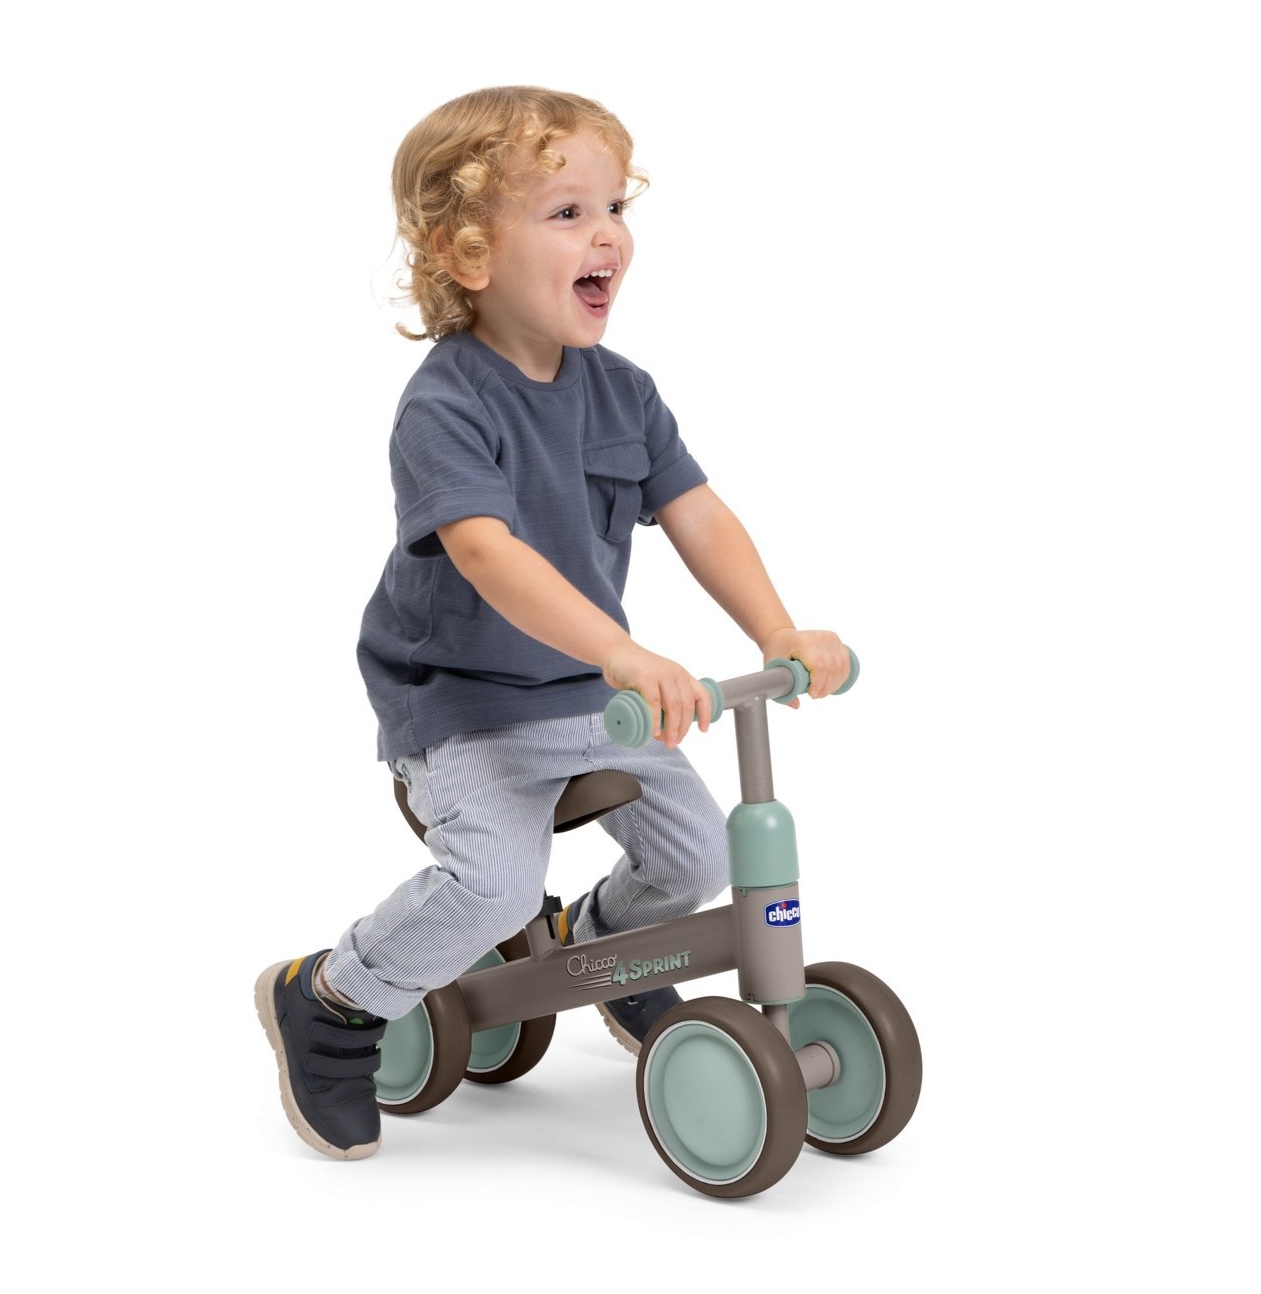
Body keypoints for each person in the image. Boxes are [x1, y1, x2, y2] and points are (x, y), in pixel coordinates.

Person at [256, 86, 851, 1160]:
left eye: (615, 207)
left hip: (583, 692)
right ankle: (336, 996)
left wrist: (779, 630)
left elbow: (698, 514)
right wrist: (621, 649)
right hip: (463, 704)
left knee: (695, 856)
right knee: (493, 886)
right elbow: (488, 553)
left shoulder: (624, 393)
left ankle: (608, 947)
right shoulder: (447, 405)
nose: (607, 234)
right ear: (469, 253)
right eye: (567, 213)